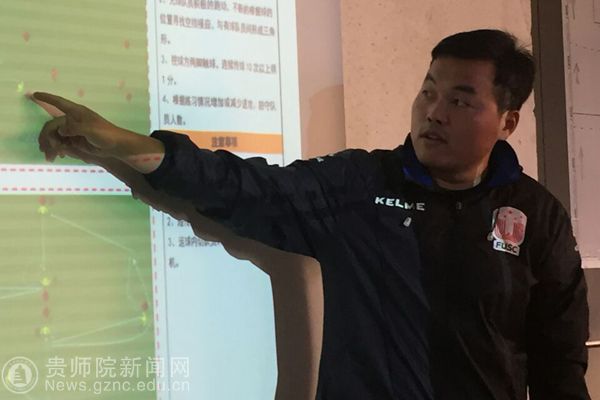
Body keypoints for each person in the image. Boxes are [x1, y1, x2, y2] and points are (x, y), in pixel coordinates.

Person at [32, 29, 590, 399]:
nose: (433, 112)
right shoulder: (360, 184)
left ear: (508, 121)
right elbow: (245, 187)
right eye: (428, 91)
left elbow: (559, 362)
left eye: (460, 100)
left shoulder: (536, 216)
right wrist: (123, 144)